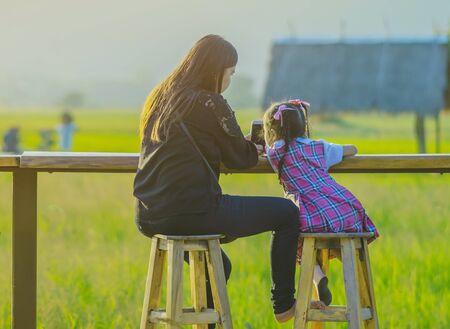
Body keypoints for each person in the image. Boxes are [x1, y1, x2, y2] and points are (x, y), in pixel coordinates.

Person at [133, 35, 314, 326]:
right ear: (216, 71)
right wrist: (248, 148)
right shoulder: (210, 103)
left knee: (219, 268)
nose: (229, 80)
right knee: (287, 213)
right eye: (230, 73)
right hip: (194, 211)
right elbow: (241, 158)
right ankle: (283, 304)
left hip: (150, 215)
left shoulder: (162, 97)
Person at [263, 99, 379, 307]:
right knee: (340, 237)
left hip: (308, 216)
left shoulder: (274, 153)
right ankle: (354, 276)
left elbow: (264, 150)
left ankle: (318, 277)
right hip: (342, 210)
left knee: (296, 239)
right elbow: (352, 149)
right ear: (303, 125)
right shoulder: (316, 147)